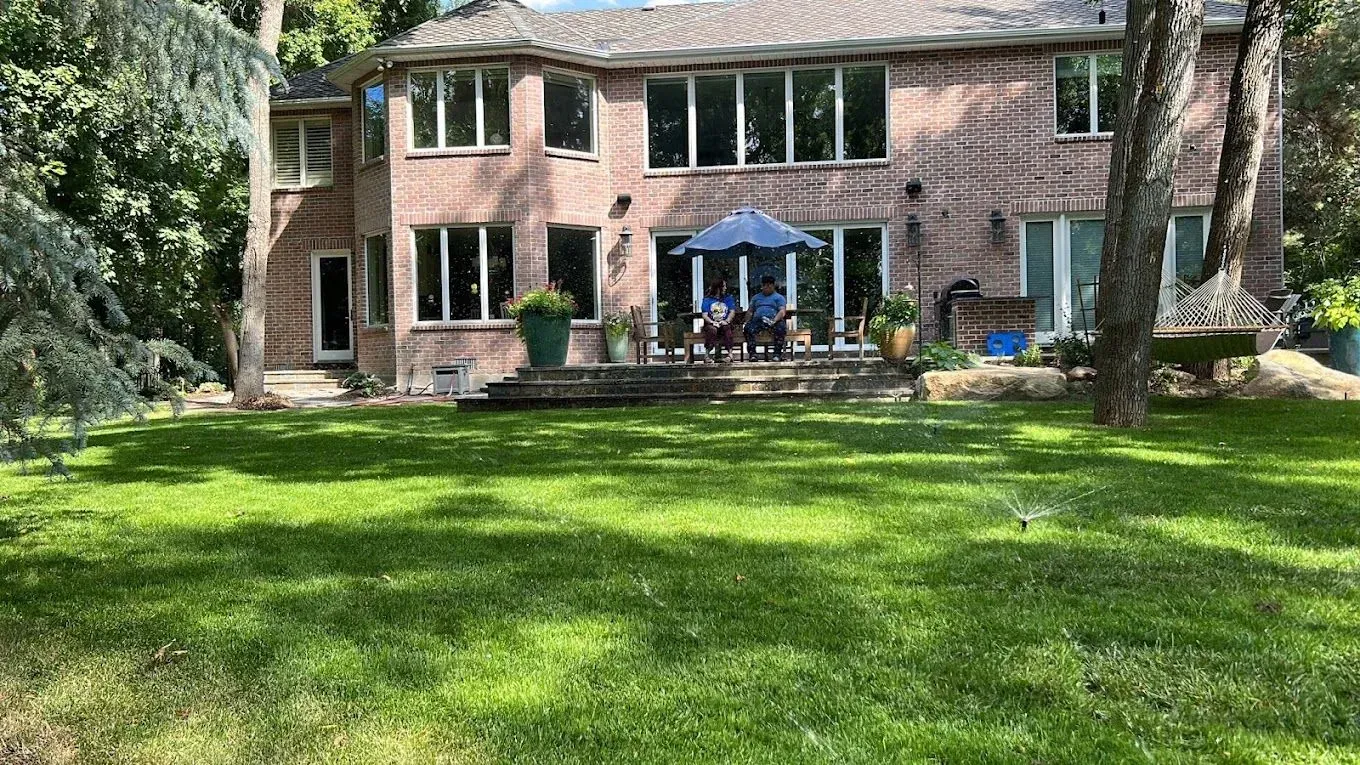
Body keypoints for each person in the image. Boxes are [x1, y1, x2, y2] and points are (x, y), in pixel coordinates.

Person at [744, 275, 788, 361]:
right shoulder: (756, 298)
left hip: (773, 319)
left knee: (781, 328)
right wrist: (747, 321)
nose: (767, 287)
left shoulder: (778, 298)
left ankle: (777, 354)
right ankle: (753, 354)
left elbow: (782, 311)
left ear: (773, 286)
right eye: (765, 285)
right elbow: (750, 311)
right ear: (762, 286)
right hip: (758, 320)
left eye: (769, 285)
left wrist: (774, 320)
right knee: (748, 329)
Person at [700, 278, 736, 362]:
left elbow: (732, 312)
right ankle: (707, 355)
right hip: (711, 323)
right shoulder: (707, 300)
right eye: (724, 286)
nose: (725, 288)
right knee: (712, 330)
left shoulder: (728, 298)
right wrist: (712, 322)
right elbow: (704, 315)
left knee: (727, 328)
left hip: (724, 322)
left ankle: (730, 355)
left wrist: (726, 321)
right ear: (718, 288)